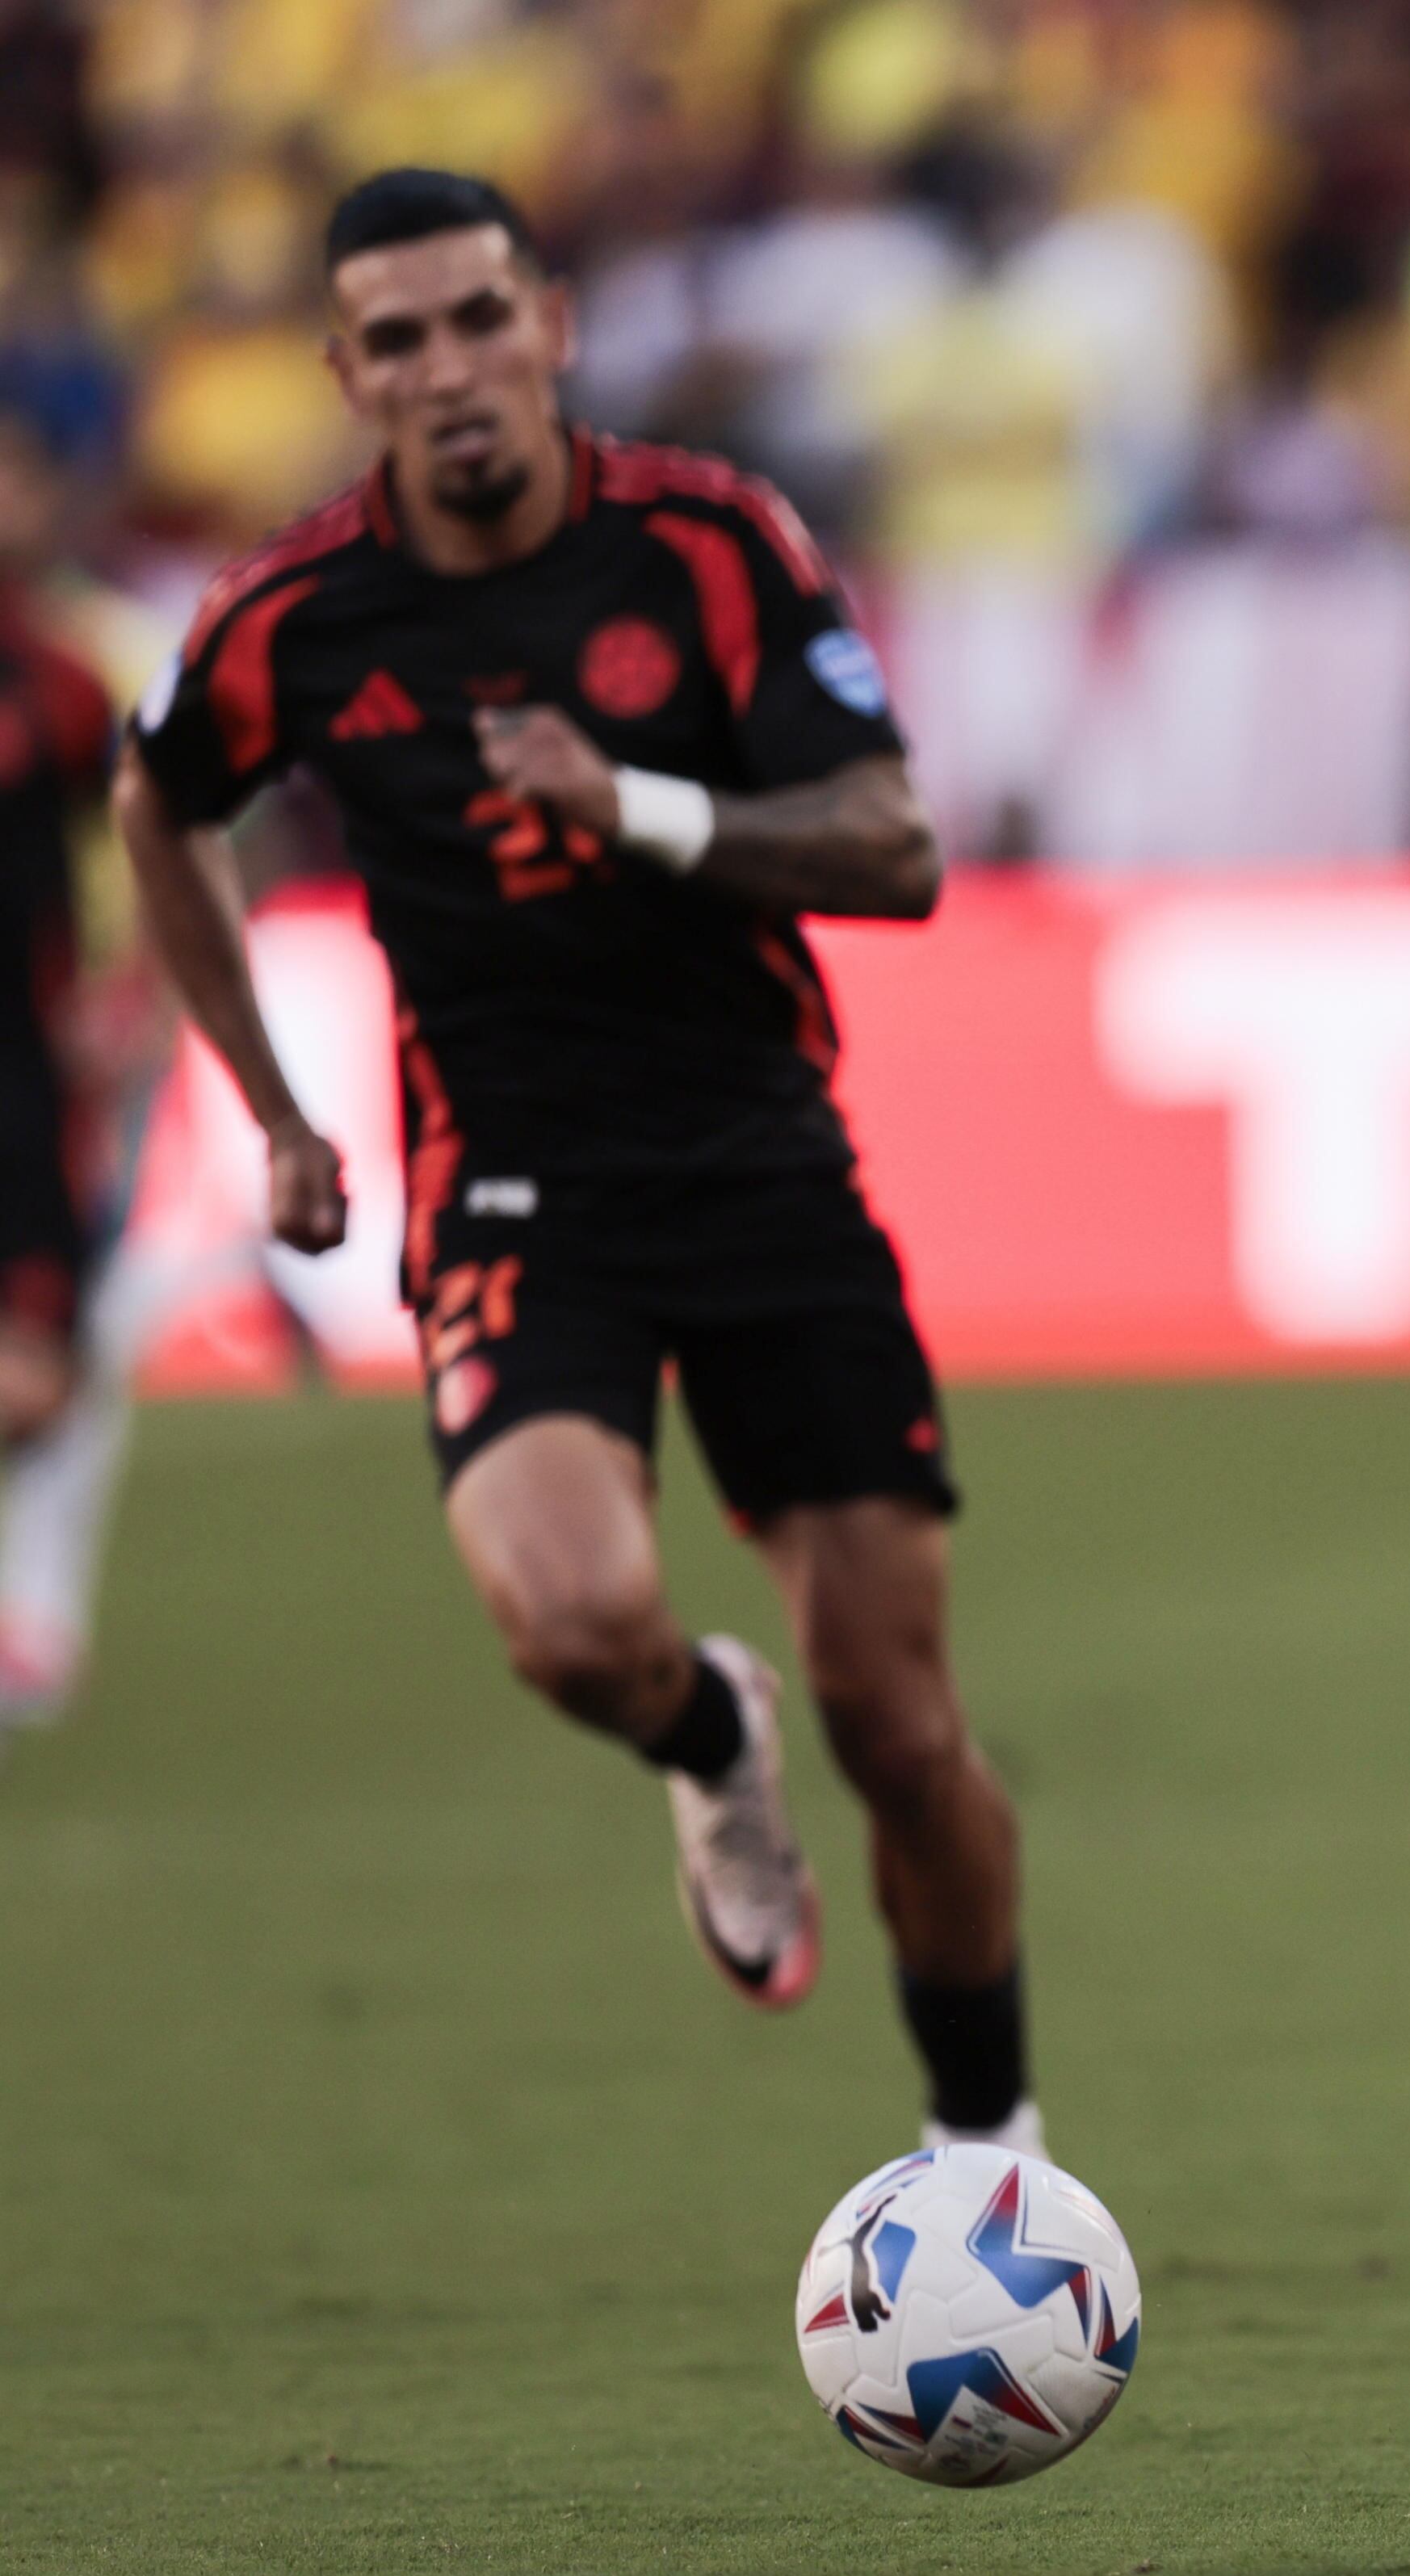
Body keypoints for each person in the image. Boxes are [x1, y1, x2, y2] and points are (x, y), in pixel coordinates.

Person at [113, 170, 1042, 2156]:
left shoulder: (705, 545)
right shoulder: (296, 619)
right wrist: (271, 1107)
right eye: (397, 338)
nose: (447, 370)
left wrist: (639, 807)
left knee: (900, 1718)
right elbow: (159, 805)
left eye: (476, 318)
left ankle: (991, 2153)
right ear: (345, 376)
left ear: (551, 322)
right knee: (567, 1626)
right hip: (520, 1191)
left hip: (764, 1164)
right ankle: (706, 1731)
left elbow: (896, 848)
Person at [0, 397, 122, 1720]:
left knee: (37, 1386)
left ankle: (30, 1625)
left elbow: (153, 840)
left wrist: (133, 991)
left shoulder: (66, 682)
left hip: (23, 1087)